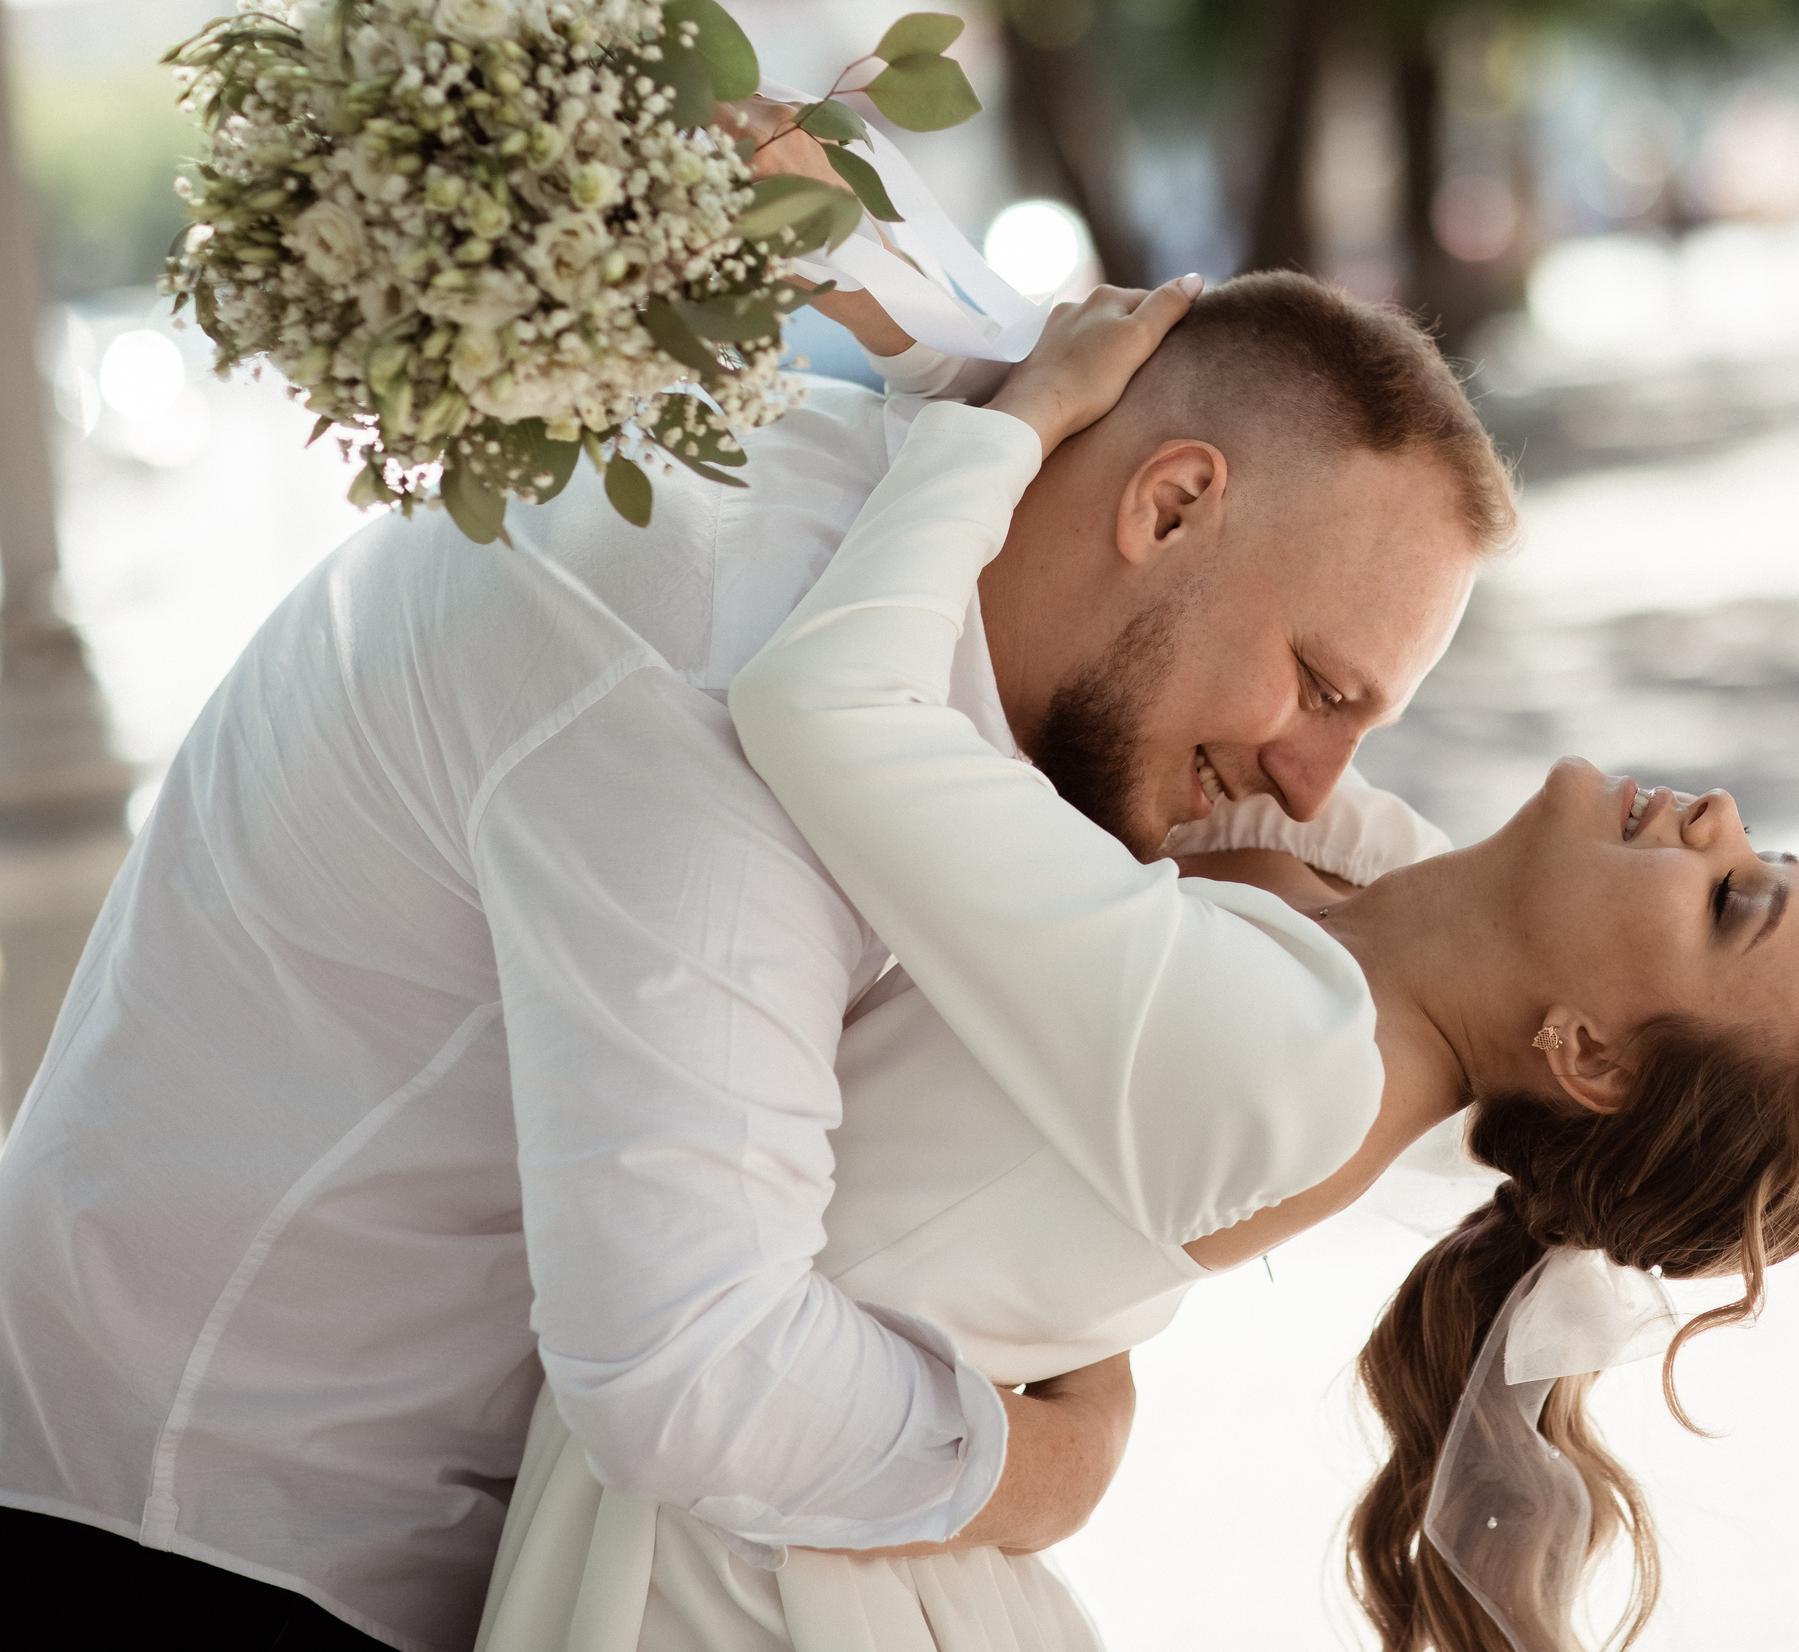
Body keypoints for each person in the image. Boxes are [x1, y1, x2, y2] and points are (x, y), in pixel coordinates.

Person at [0, 265, 1507, 1652]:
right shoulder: (707, 647)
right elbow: (690, 1368)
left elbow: (1417, 899)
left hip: (441, 1538)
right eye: (1317, 688)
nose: (1309, 783)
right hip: (207, 1530)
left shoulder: (1014, 612)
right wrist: (1050, 1464)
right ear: (1169, 507)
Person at [462, 296, 1799, 1651]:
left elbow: (825, 702)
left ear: (1588, 1055)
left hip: (743, 1573)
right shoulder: (1389, 927)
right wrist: (950, 334)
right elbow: (1177, 681)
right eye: (1757, 856)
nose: (1719, 822)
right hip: (808, 1518)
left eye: (1733, 903)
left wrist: (1020, 421)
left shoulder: (1284, 1064)